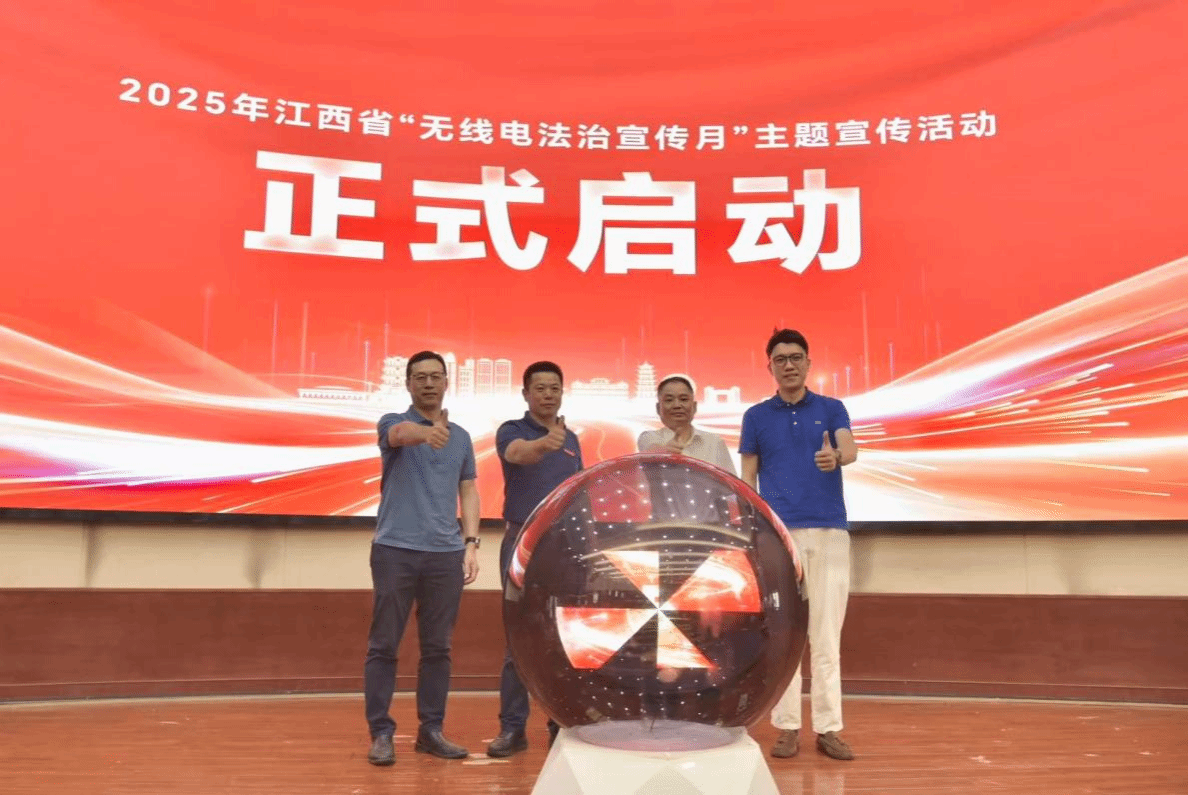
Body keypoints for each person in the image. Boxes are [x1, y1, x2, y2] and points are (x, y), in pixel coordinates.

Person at [739, 329, 858, 762]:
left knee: (826, 636)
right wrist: (753, 531)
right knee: (783, 636)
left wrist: (836, 457)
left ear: (808, 363)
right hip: (779, 537)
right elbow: (747, 478)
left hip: (829, 533)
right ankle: (787, 727)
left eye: (796, 357)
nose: (788, 365)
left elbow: (850, 448)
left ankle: (829, 728)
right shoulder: (755, 416)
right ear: (769, 366)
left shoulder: (831, 408)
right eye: (780, 359)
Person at [364, 351, 481, 767]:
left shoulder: (461, 437)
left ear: (447, 382)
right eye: (420, 377)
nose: (429, 383)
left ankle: (431, 731)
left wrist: (471, 543)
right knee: (384, 645)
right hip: (395, 550)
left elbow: (468, 490)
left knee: (438, 648)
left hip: (446, 555)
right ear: (409, 383)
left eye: (436, 376)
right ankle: (381, 733)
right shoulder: (392, 422)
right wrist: (426, 433)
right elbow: (399, 435)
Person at [486, 361, 583, 757]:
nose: (547, 394)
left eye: (554, 387)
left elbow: (577, 492)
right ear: (526, 394)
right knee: (519, 639)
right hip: (522, 545)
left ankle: (560, 724)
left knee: (562, 639)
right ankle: (512, 729)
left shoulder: (572, 439)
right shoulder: (512, 430)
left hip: (563, 548)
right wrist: (545, 443)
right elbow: (517, 454)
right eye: (540, 388)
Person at [637, 375, 737, 475]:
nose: (677, 405)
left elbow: (731, 481)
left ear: (694, 407)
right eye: (669, 400)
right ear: (658, 408)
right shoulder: (648, 437)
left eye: (683, 399)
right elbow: (650, 451)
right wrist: (662, 452)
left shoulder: (714, 442)